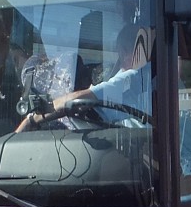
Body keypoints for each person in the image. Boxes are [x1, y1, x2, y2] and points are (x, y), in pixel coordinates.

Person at [17, 24, 151, 131]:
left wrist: (33, 119)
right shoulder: (116, 76)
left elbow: (78, 100)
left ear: (122, 52)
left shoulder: (136, 78)